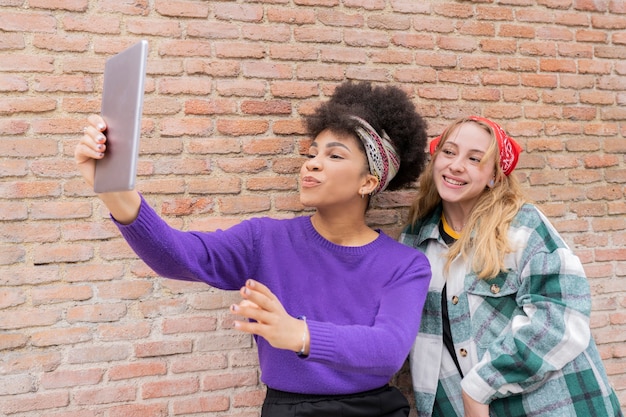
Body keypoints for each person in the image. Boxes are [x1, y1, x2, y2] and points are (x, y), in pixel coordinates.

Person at [75, 81, 432, 417]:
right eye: (312, 152)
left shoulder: (405, 264)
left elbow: (388, 350)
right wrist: (113, 190)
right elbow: (178, 256)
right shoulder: (264, 239)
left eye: (334, 156)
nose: (312, 163)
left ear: (368, 182)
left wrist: (298, 333)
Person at [399, 115, 623, 417]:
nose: (455, 165)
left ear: (493, 175)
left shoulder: (522, 227)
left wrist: (478, 387)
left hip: (555, 405)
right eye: (449, 152)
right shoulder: (415, 241)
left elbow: (562, 316)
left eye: (475, 159)